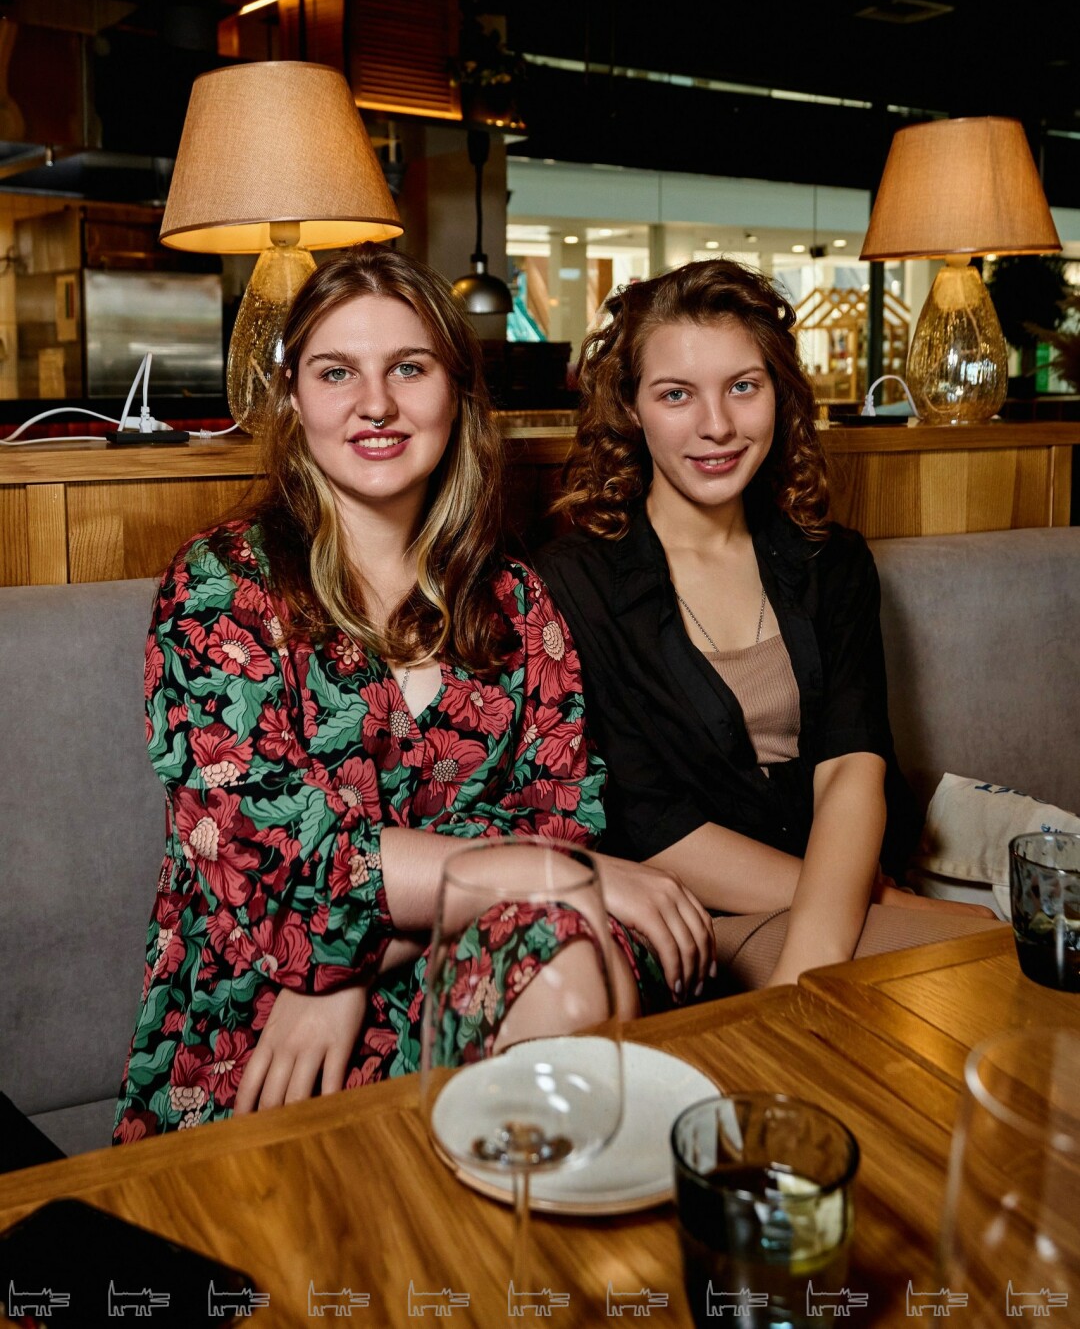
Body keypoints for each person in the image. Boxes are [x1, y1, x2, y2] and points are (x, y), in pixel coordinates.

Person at [115, 247, 713, 1141]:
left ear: (456, 393)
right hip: (266, 1018)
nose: (376, 404)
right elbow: (278, 862)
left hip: (447, 971)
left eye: (408, 368)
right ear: (293, 398)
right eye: (336, 372)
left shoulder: (518, 599)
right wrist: (551, 872)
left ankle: (522, 1219)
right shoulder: (221, 586)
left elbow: (557, 820)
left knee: (573, 948)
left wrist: (358, 961)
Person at [538, 259, 995, 991]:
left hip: (843, 892)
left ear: (779, 393)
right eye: (676, 394)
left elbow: (853, 768)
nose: (716, 425)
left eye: (743, 387)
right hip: (697, 918)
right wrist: (883, 911)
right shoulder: (571, 583)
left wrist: (823, 939)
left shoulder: (832, 561)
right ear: (630, 407)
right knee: (988, 965)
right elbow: (651, 824)